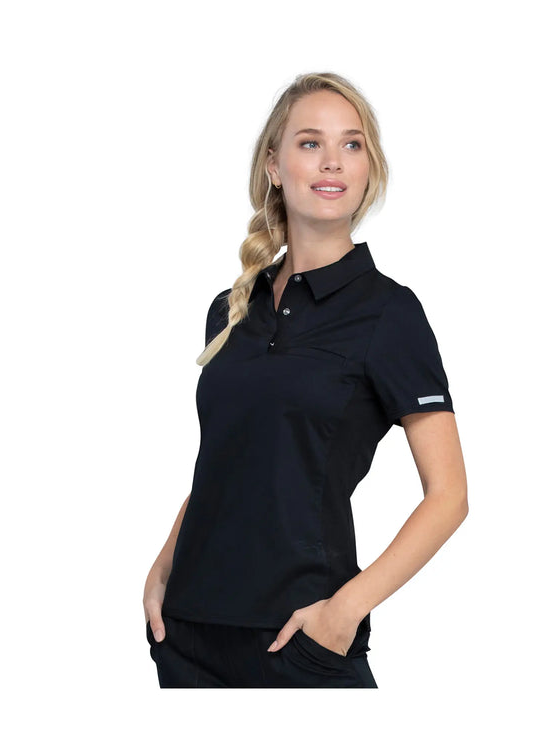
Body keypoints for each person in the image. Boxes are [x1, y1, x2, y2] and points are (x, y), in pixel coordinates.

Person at [142, 71, 468, 688]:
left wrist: (346, 611)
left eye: (352, 144)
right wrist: (162, 567)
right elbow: (225, 463)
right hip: (186, 635)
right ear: (274, 164)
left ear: (368, 168)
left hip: (300, 639)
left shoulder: (389, 313)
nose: (332, 161)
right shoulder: (230, 309)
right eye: (311, 142)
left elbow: (449, 494)